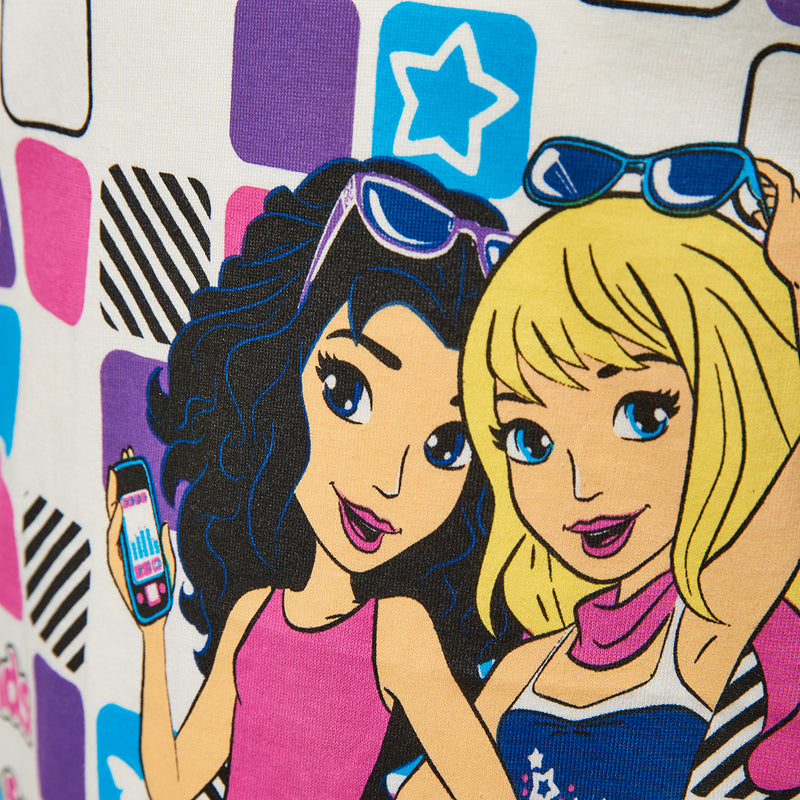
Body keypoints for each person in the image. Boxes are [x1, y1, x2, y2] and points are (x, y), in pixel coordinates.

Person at [104, 158, 519, 800]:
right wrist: (151, 627)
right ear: (280, 376)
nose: (388, 482)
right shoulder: (251, 615)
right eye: (347, 392)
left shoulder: (396, 631)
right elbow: (172, 781)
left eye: (446, 445)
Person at [399, 151, 800, 800]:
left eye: (643, 415)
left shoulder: (704, 625)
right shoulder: (522, 673)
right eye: (531, 440)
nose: (582, 487)